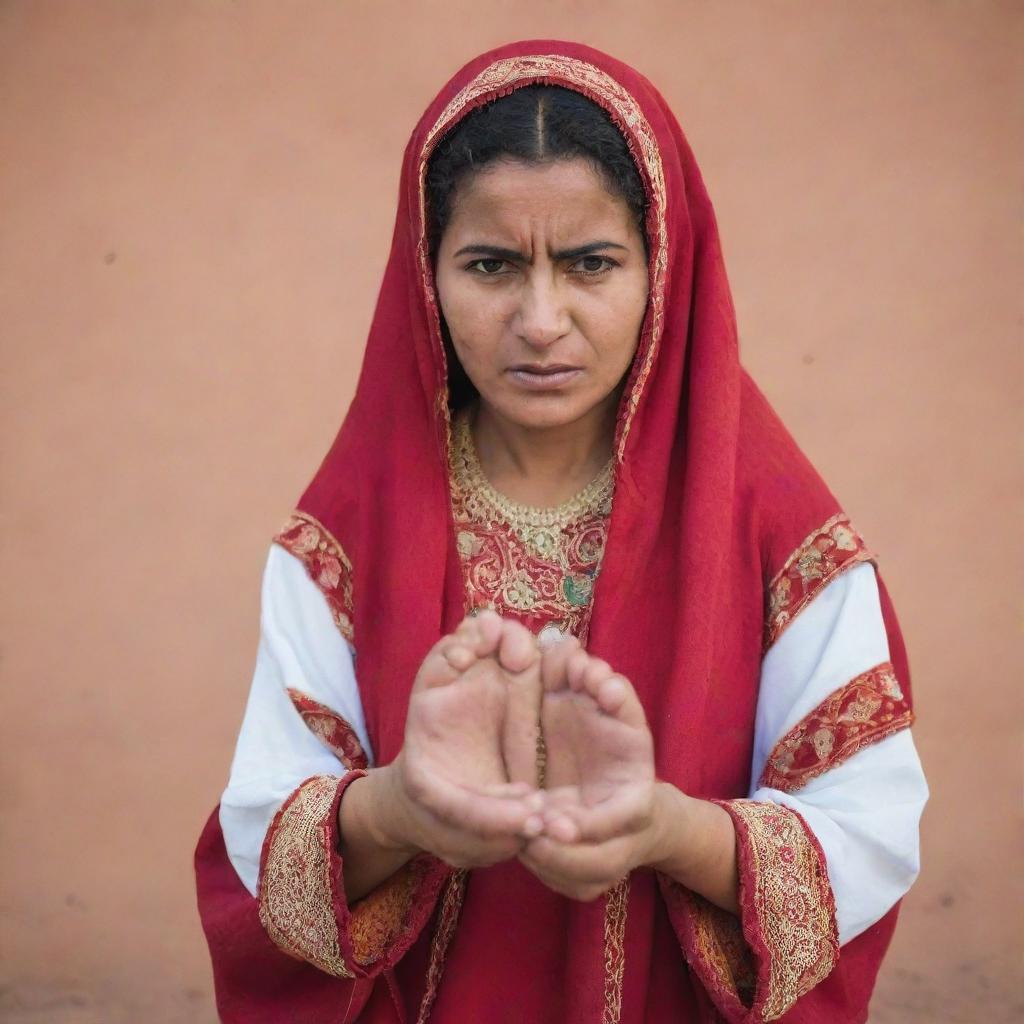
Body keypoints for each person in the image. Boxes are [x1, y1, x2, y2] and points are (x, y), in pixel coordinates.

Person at [194, 39, 928, 1024]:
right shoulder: (345, 537)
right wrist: (400, 808)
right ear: (426, 275)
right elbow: (262, 837)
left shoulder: (779, 535)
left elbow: (867, 833)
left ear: (661, 268)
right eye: (491, 264)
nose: (541, 319)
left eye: (590, 263)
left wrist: (670, 829)